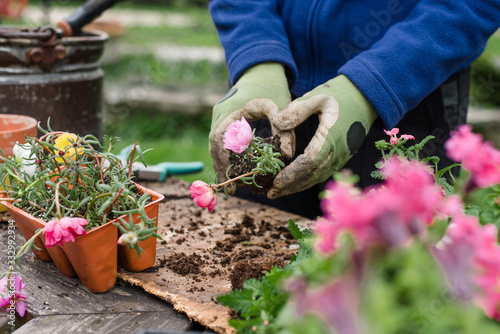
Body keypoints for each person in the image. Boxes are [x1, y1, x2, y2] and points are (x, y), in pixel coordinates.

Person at [208, 0, 500, 219]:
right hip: (276, 92)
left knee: (383, 274)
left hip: (405, 95)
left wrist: (375, 83)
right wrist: (257, 56)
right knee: (256, 258)